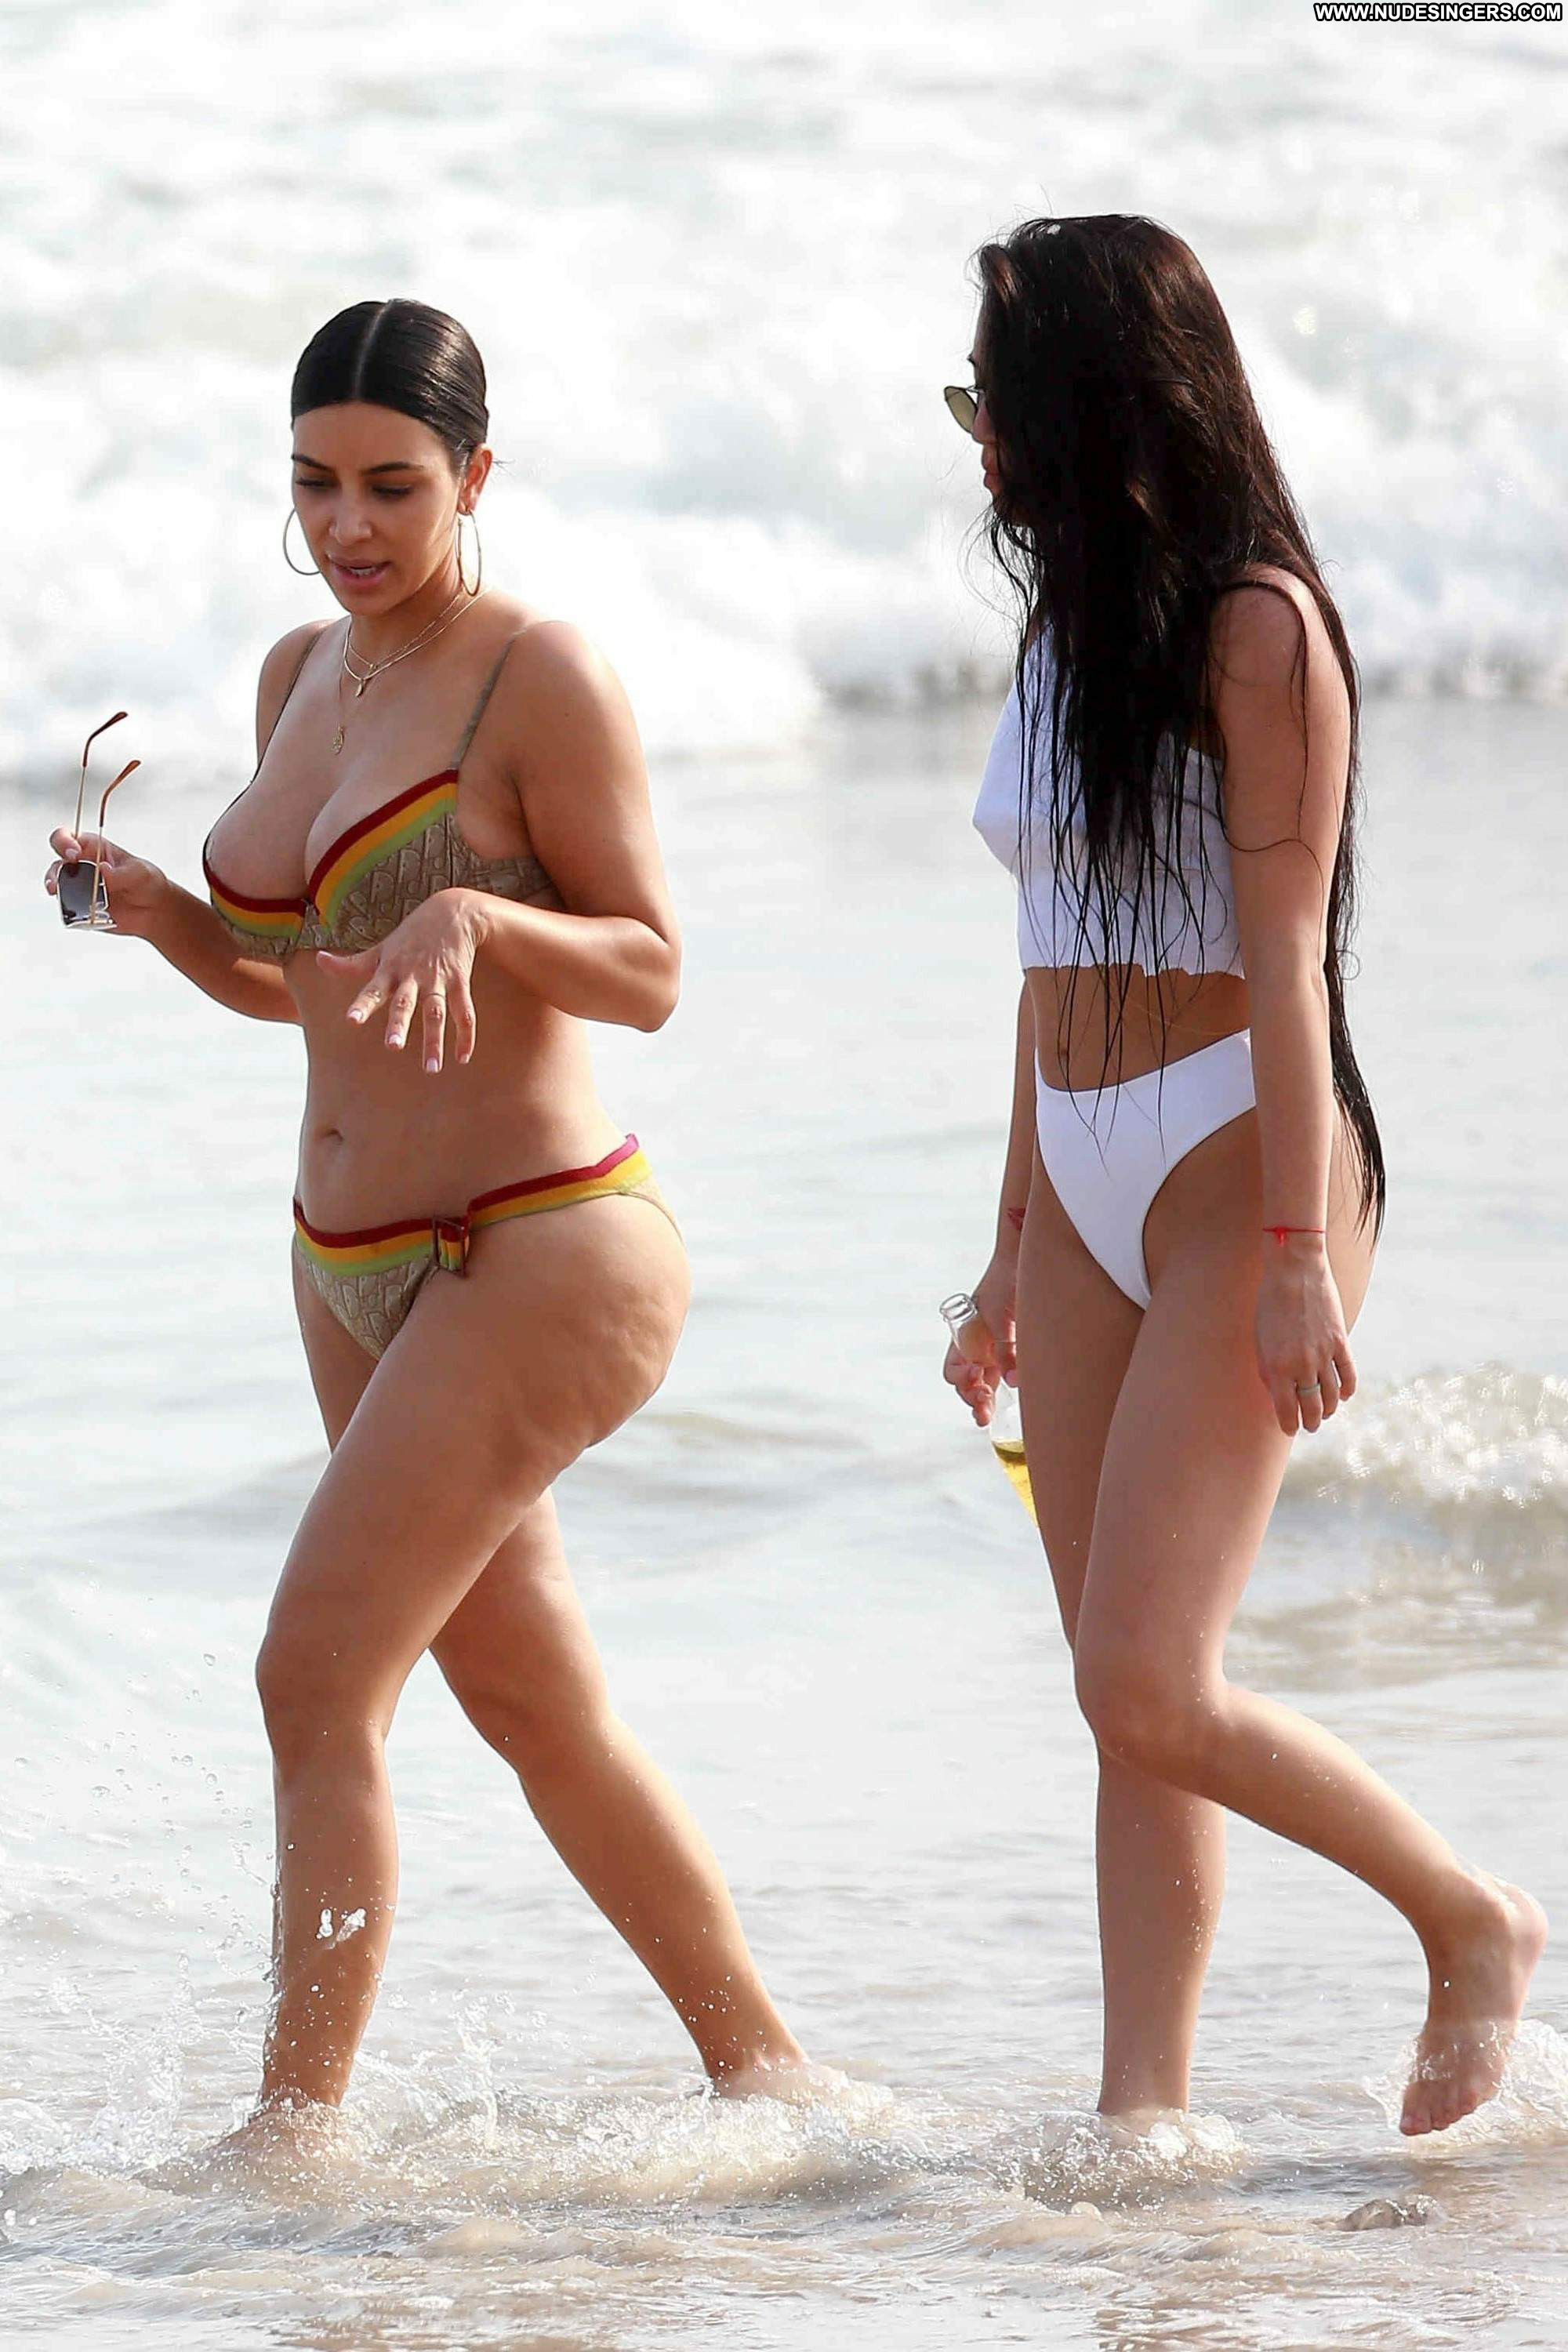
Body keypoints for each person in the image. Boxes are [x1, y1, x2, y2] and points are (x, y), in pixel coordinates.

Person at [45, 296, 819, 2129]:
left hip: (541, 1243)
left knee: (313, 1674)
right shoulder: (299, 672)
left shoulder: (538, 673)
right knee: (533, 1702)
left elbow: (648, 969)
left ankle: (288, 2144)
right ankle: (775, 2085)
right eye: (313, 484)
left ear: (476, 476)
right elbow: (307, 987)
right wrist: (166, 919)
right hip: (345, 1265)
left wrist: (483, 914)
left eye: (392, 486)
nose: (348, 525)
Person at [941, 216, 1544, 2140]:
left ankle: (1466, 1917)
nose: (978, 444)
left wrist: (1295, 1248)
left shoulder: (1258, 626)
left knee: (1147, 1674)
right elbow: (1042, 961)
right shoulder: (1065, 630)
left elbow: (1286, 961)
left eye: (995, 402)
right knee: (1120, 1697)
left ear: (1094, 404)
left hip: (1238, 1151)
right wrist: (1008, 1245)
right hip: (1082, 1163)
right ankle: (1144, 2125)